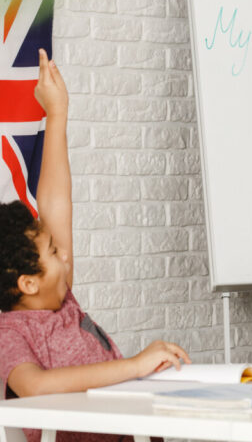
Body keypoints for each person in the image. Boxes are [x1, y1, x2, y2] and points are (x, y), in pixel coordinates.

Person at [0, 50, 190, 442]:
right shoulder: (9, 332)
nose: (65, 254)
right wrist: (135, 366)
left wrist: (57, 115)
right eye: (52, 253)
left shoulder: (61, 299)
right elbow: (34, 386)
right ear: (28, 283)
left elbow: (54, 204)